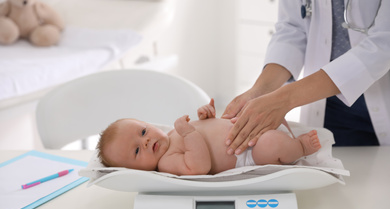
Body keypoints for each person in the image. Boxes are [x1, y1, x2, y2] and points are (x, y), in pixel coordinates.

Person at [222, 0, 390, 156]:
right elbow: (292, 29)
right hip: (330, 105)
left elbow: (384, 44)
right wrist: (261, 90)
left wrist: (285, 98)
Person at [96, 99, 321, 176]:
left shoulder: (173, 133)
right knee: (273, 144)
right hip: (248, 154)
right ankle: (299, 147)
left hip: (243, 130)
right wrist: (189, 132)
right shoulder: (166, 162)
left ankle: (285, 138)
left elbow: (209, 129)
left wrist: (206, 116)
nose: (145, 141)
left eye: (143, 131)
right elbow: (198, 166)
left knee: (257, 111)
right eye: (137, 151)